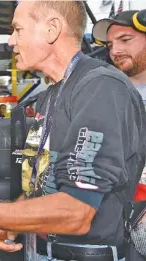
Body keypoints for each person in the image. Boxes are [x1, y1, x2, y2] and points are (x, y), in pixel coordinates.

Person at [0, 2, 146, 261]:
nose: (11, 40)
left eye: (18, 29)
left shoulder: (101, 88)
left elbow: (76, 211)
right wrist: (11, 220)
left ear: (52, 29)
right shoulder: (50, 97)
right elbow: (42, 186)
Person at [93, 9, 146, 202]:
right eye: (110, 45)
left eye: (125, 39)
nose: (115, 51)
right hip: (119, 211)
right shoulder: (105, 95)